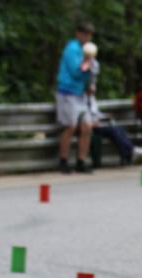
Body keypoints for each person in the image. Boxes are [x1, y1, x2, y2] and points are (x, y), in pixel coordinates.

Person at [55, 22, 96, 174]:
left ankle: (81, 161)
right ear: (78, 34)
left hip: (81, 93)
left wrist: (90, 84)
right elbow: (76, 71)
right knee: (70, 126)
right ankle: (63, 161)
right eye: (84, 34)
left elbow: (91, 71)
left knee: (87, 126)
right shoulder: (72, 49)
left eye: (89, 36)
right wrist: (88, 61)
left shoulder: (87, 49)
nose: (87, 38)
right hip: (68, 92)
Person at [86, 84, 142, 166]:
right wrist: (92, 122)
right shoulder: (81, 100)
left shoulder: (92, 99)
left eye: (93, 89)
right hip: (90, 126)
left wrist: (105, 116)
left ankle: (127, 154)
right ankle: (131, 150)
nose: (93, 91)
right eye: (91, 89)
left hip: (100, 123)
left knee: (119, 129)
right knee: (114, 130)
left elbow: (96, 113)